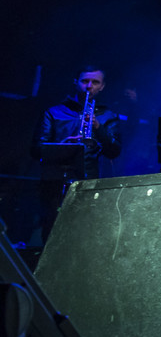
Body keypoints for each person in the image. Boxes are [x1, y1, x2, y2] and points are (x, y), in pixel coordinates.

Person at [35, 66, 123, 239]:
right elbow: (36, 149)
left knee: (83, 232)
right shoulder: (54, 112)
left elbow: (114, 151)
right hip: (54, 182)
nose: (89, 86)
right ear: (76, 82)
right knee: (52, 231)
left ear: (102, 86)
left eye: (95, 82)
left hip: (89, 182)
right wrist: (62, 145)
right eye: (85, 81)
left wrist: (98, 127)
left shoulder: (108, 116)